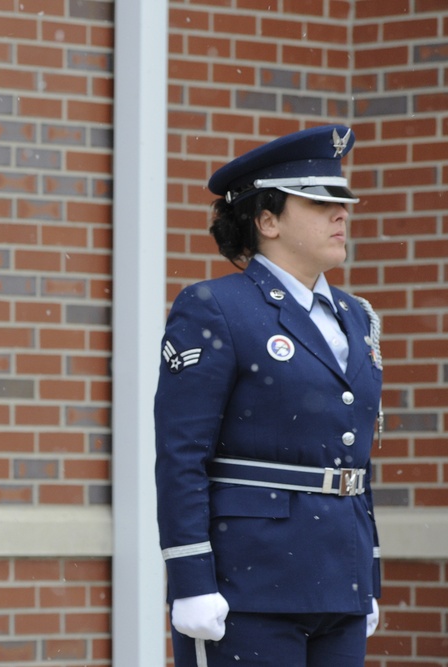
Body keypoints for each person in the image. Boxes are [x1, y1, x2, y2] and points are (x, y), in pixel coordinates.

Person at [154, 125, 383, 666]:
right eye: (320, 201)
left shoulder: (358, 317)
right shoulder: (215, 307)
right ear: (267, 220)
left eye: (343, 201)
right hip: (248, 584)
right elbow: (182, 455)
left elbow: (354, 455)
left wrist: (367, 570)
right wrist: (190, 578)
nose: (341, 214)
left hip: (339, 579)